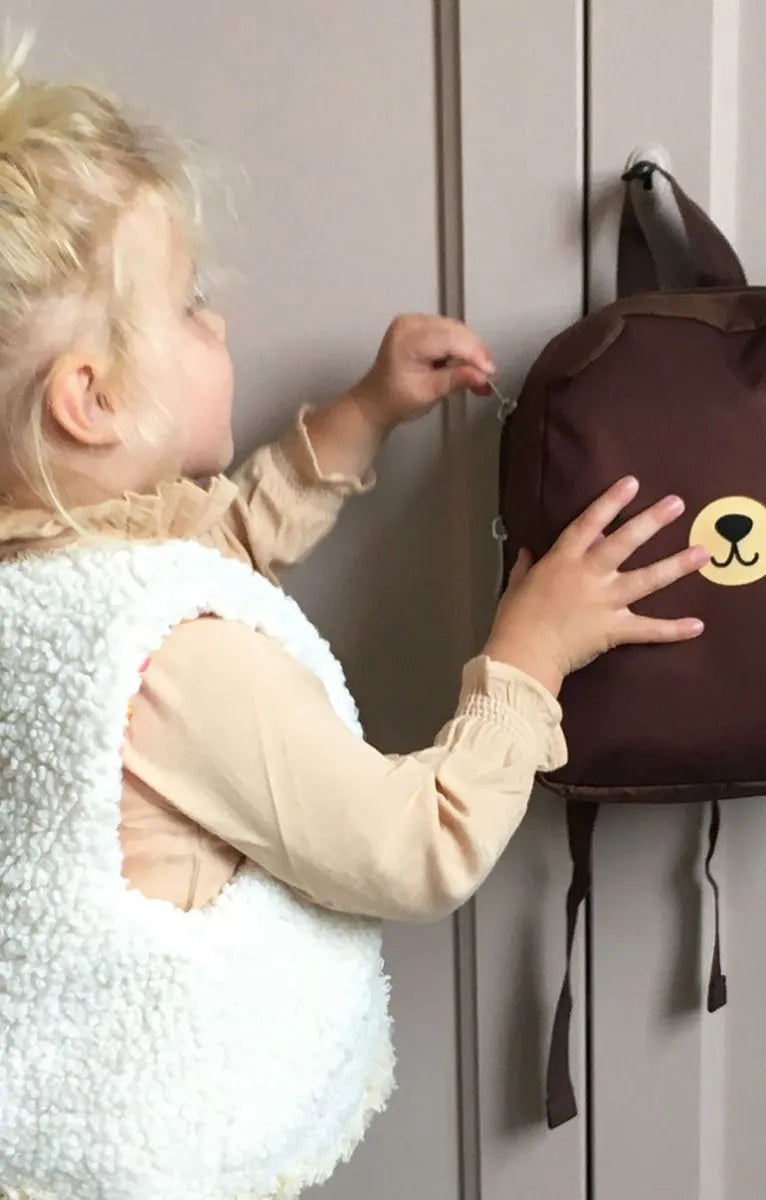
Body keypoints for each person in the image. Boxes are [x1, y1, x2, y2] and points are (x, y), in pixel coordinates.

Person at [0, 41, 708, 1199]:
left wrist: (360, 416)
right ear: (92, 399)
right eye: (189, 307)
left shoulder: (46, 581)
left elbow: (210, 545)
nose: (220, 324)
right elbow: (411, 846)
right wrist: (527, 656)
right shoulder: (174, 665)